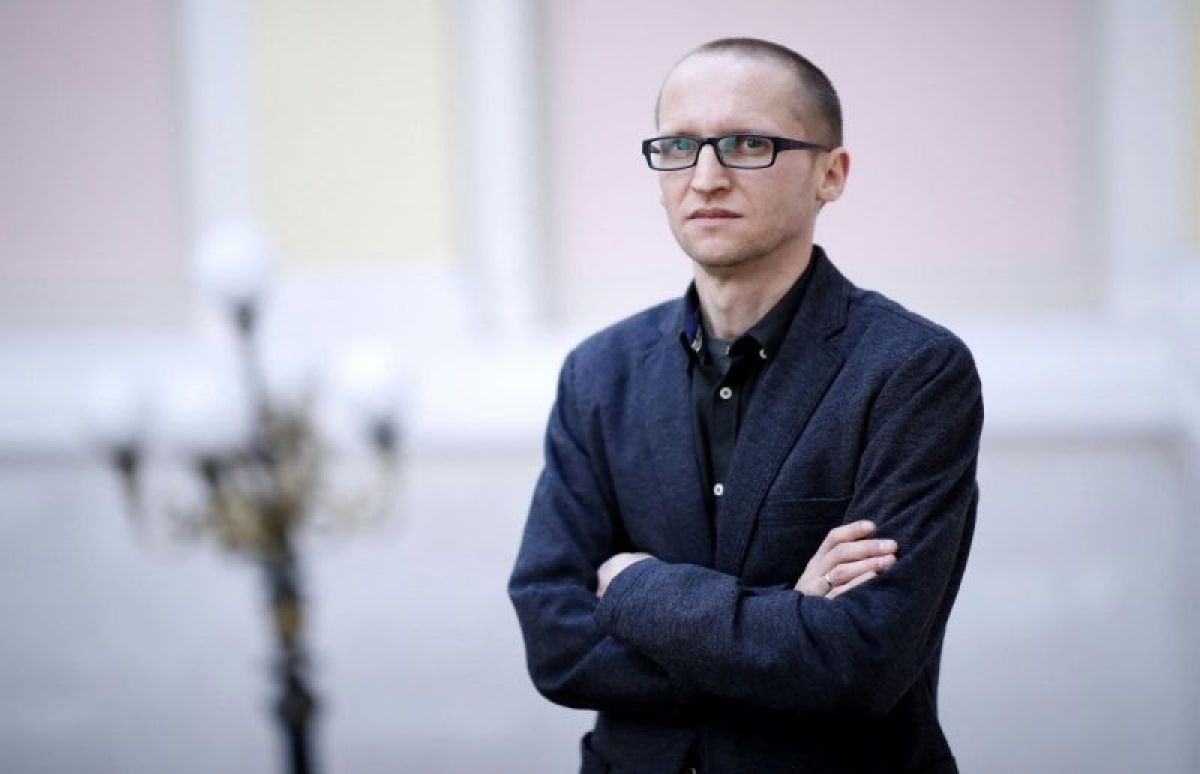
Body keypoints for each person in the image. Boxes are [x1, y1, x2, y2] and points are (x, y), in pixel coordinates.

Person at [509, 37, 983, 774]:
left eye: (747, 144)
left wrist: (635, 587)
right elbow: (556, 644)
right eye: (679, 146)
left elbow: (860, 661)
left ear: (831, 173)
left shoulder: (912, 371)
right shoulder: (599, 373)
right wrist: (784, 622)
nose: (706, 178)